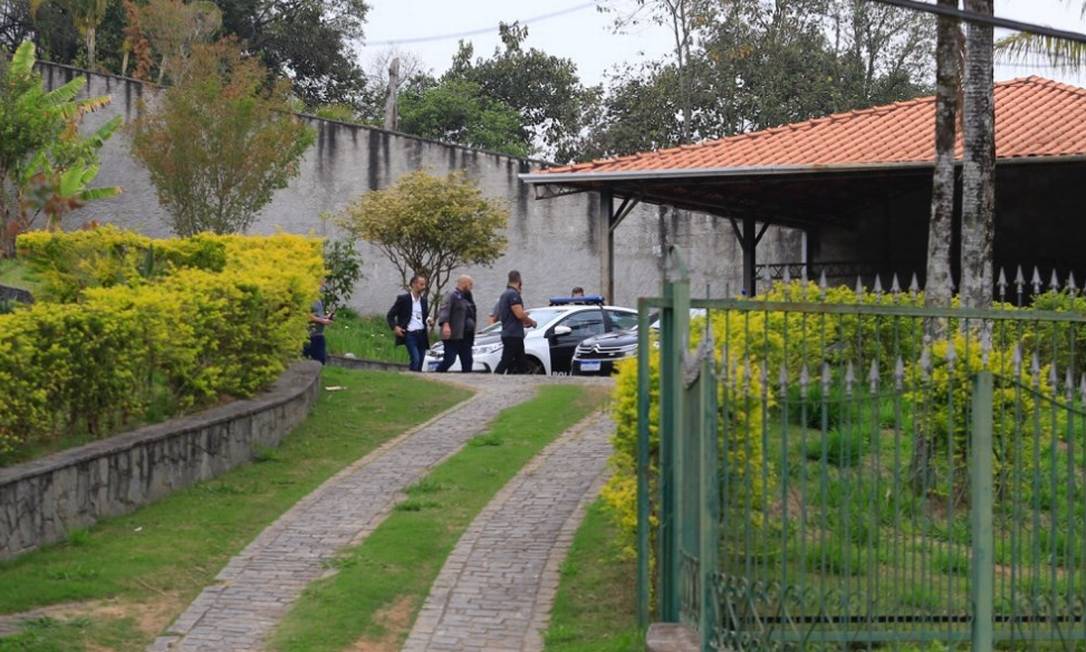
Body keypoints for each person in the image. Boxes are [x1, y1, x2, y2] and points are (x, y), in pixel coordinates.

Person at [494, 270, 537, 374]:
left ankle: (522, 380)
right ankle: (494, 378)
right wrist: (531, 322)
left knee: (521, 361)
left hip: (511, 333)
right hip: (513, 335)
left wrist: (522, 322)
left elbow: (503, 316)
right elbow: (519, 314)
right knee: (506, 360)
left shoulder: (504, 295)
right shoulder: (513, 294)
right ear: (519, 281)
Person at [386, 274, 430, 372]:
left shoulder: (424, 301)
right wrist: (395, 327)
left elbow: (425, 316)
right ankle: (411, 376)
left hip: (422, 334)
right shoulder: (403, 299)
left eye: (424, 285)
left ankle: (416, 382)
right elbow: (390, 315)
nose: (423, 287)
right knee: (415, 359)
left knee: (421, 361)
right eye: (421, 284)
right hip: (410, 334)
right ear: (414, 284)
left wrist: (429, 320)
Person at [436, 275, 477, 373]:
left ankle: (466, 380)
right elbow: (444, 310)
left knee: (468, 361)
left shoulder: (467, 297)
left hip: (466, 336)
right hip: (453, 334)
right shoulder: (451, 295)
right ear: (464, 283)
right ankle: (437, 374)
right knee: (450, 359)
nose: (471, 287)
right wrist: (445, 325)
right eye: (470, 284)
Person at [303, 280, 333, 365]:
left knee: (320, 360)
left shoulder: (317, 298)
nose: (323, 285)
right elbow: (306, 315)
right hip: (309, 335)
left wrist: (326, 317)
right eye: (321, 283)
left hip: (318, 334)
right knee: (304, 359)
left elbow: (316, 314)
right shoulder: (308, 297)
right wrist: (323, 321)